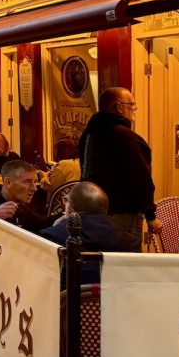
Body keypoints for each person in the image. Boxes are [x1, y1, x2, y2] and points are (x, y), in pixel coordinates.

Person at [78, 87, 160, 251]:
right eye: (132, 105)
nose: (134, 110)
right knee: (127, 261)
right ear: (119, 107)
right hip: (122, 213)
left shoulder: (88, 134)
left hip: (92, 211)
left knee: (101, 258)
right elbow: (140, 178)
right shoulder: (126, 137)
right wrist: (150, 215)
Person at [40, 182, 133, 283]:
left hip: (64, 297)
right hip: (114, 296)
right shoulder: (130, 240)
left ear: (70, 208)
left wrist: (56, 228)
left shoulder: (51, 237)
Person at [0, 159, 50, 233]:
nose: (34, 188)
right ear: (8, 182)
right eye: (27, 182)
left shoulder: (19, 207)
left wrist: (62, 216)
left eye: (35, 182)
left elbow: (43, 223)